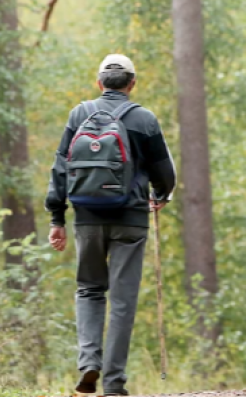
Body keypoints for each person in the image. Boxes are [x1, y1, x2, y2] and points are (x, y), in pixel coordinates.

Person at [45, 54, 176, 396]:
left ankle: (89, 362)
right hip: (131, 220)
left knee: (89, 289)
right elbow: (164, 171)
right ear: (132, 84)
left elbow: (60, 168)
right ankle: (114, 382)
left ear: (99, 82)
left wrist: (57, 218)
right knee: (122, 300)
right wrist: (161, 194)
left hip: (87, 218)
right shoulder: (144, 119)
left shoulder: (79, 115)